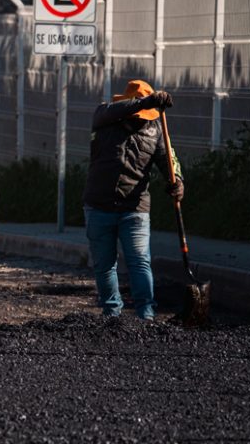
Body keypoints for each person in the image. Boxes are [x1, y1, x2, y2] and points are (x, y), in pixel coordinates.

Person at [83, 80, 182, 320]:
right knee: (104, 265)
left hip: (135, 208)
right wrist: (147, 101)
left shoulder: (156, 129)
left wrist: (177, 181)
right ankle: (111, 315)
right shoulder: (105, 119)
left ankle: (146, 316)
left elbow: (169, 160)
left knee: (139, 263)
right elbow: (104, 111)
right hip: (99, 205)